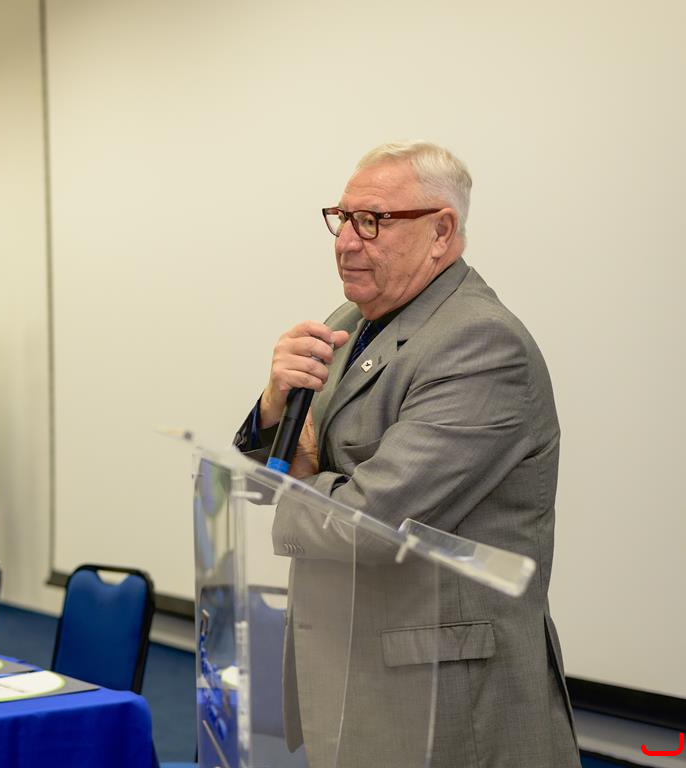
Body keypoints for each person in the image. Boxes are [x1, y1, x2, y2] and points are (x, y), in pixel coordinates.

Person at [234, 140, 579, 767]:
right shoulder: (350, 319)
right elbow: (270, 480)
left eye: (372, 221)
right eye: (342, 218)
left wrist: (303, 474)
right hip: (356, 671)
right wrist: (272, 406)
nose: (345, 242)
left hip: (447, 704)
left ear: (441, 231)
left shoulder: (480, 343)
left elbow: (368, 524)